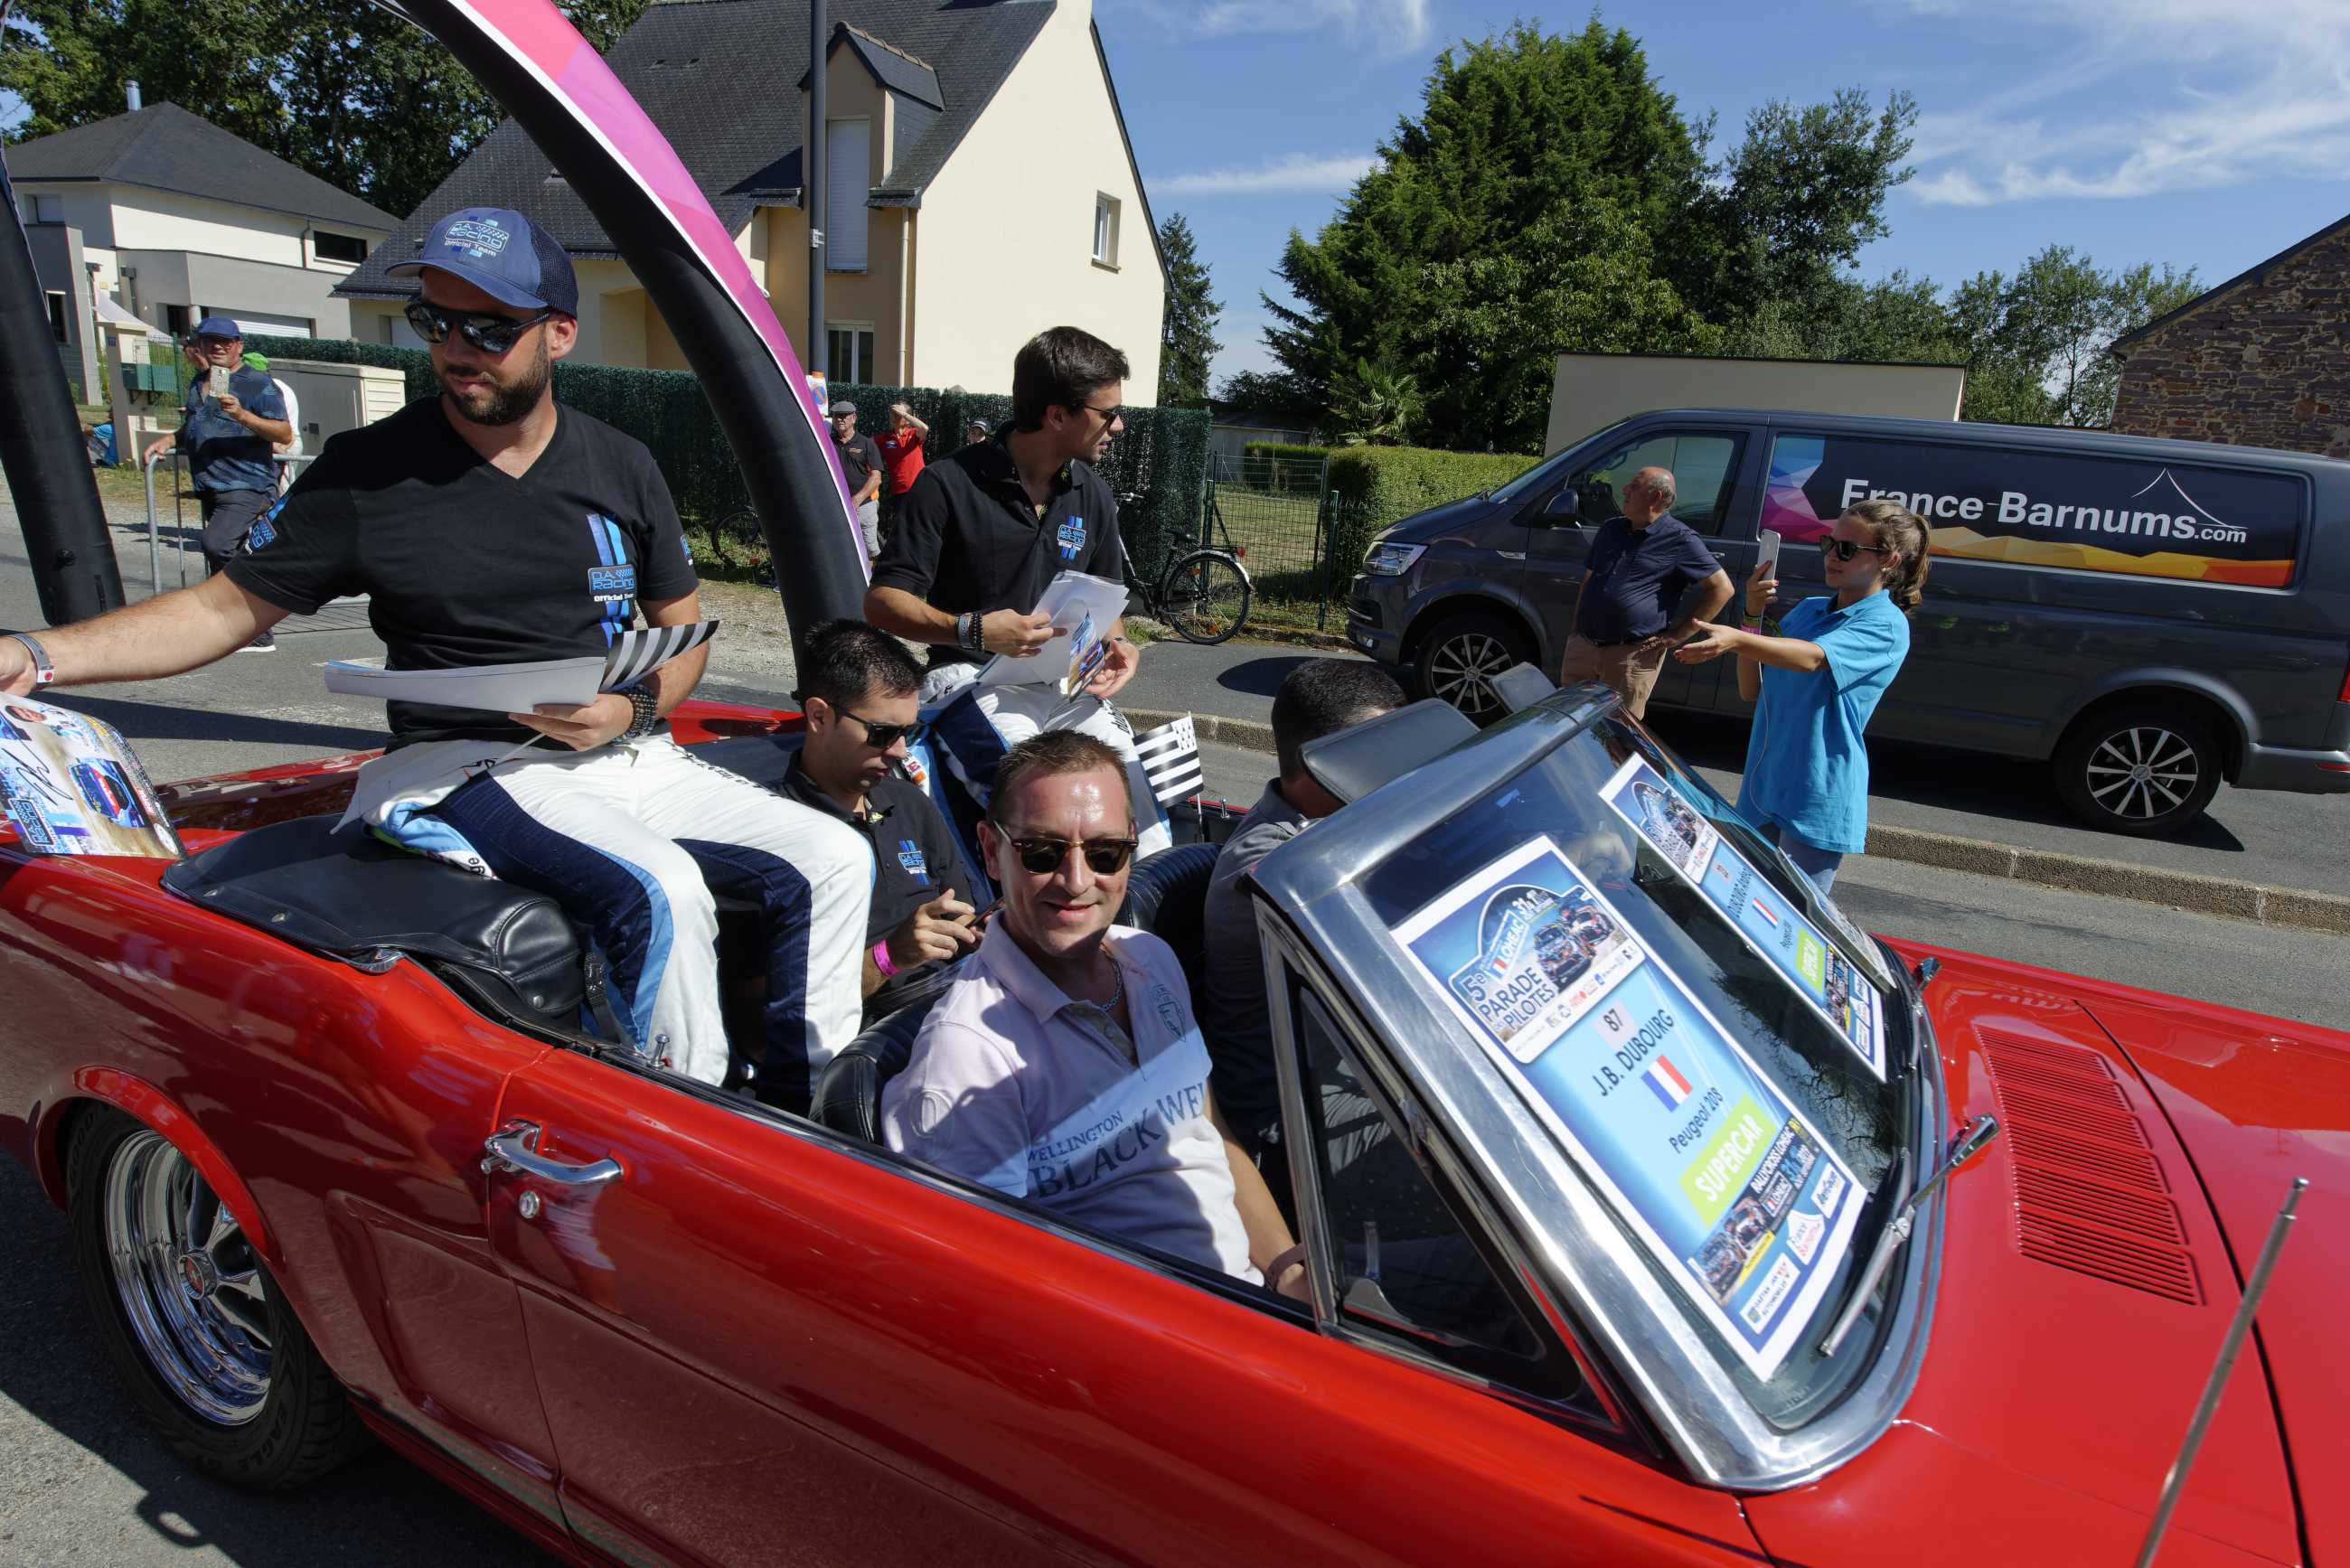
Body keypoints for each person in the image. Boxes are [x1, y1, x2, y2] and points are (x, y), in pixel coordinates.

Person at [1, 206, 872, 1090]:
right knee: (659, 891)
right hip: (473, 766)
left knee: (838, 857)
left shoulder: (621, 464)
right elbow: (221, 610)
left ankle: (817, 1124)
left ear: (559, 334)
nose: (457, 349)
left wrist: (634, 706)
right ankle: (682, 1156)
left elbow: (681, 631)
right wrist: (36, 652)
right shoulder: (367, 471)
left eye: (490, 328)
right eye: (436, 321)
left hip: (628, 749)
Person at [880, 732, 1310, 1299]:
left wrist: (1290, 1273)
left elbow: (1210, 1134)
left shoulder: (1150, 960)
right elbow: (985, 1288)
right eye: (1042, 852)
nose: (1077, 881)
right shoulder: (967, 1059)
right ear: (990, 850)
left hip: (1253, 1297)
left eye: (1106, 853)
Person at [865, 325, 1170, 856]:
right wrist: (973, 629)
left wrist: (1121, 646)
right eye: (1108, 413)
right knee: (1047, 808)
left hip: (1065, 687)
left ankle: (1140, 933)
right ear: (1057, 414)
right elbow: (882, 602)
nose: (1118, 426)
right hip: (967, 680)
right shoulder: (946, 485)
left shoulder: (1091, 493)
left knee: (1136, 803)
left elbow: (1108, 600)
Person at [1200, 658, 1404, 1160]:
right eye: (1377, 752)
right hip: (1289, 1110)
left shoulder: (1343, 827)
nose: (1396, 766)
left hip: (1347, 1070)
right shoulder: (1275, 861)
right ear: (1320, 760)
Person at [1673, 498, 1931, 894]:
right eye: (1830, 544)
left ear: (1889, 561)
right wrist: (1752, 615)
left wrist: (1736, 640)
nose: (1833, 556)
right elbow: (1750, 689)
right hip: (1765, 787)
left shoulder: (1887, 624)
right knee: (1738, 915)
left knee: (1793, 929)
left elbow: (1812, 659)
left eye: (1847, 549)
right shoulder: (1810, 610)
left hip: (1815, 795)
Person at [771, 620, 977, 1030]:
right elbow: (768, 1021)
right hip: (869, 1045)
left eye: (909, 731)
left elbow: (965, 919)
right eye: (883, 733)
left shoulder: (909, 802)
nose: (901, 751)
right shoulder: (775, 833)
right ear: (818, 716)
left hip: (955, 1008)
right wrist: (889, 957)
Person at [142, 317, 293, 650]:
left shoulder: (257, 383)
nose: (219, 347)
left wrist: (242, 415)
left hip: (247, 483)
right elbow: (195, 425)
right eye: (211, 341)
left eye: (226, 341)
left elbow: (283, 433)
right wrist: (169, 439)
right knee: (225, 552)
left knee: (218, 545)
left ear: (239, 345)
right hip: (212, 483)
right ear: (201, 346)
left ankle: (257, 629)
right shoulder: (201, 381)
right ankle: (229, 627)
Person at [1559, 466, 1734, 719]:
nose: (1624, 490)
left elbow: (1722, 588)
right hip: (1583, 648)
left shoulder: (1680, 539)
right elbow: (1589, 582)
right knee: (1568, 725)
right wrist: (1575, 632)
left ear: (1656, 498)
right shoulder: (1611, 529)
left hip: (1630, 658)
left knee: (1616, 735)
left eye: (1635, 486)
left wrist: (1678, 635)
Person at [830, 399, 884, 559]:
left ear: (854, 418)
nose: (840, 419)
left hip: (864, 505)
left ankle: (875, 581)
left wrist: (857, 499)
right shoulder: (828, 443)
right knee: (841, 545)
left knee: (871, 549)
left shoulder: (867, 444)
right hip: (837, 505)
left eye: (844, 416)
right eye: (836, 416)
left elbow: (876, 478)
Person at [874, 401, 929, 543]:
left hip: (919, 489)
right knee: (904, 529)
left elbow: (924, 427)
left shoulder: (913, 434)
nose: (894, 416)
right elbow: (864, 445)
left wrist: (904, 413)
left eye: (898, 414)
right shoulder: (885, 439)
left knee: (920, 527)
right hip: (898, 492)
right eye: (893, 413)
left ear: (907, 418)